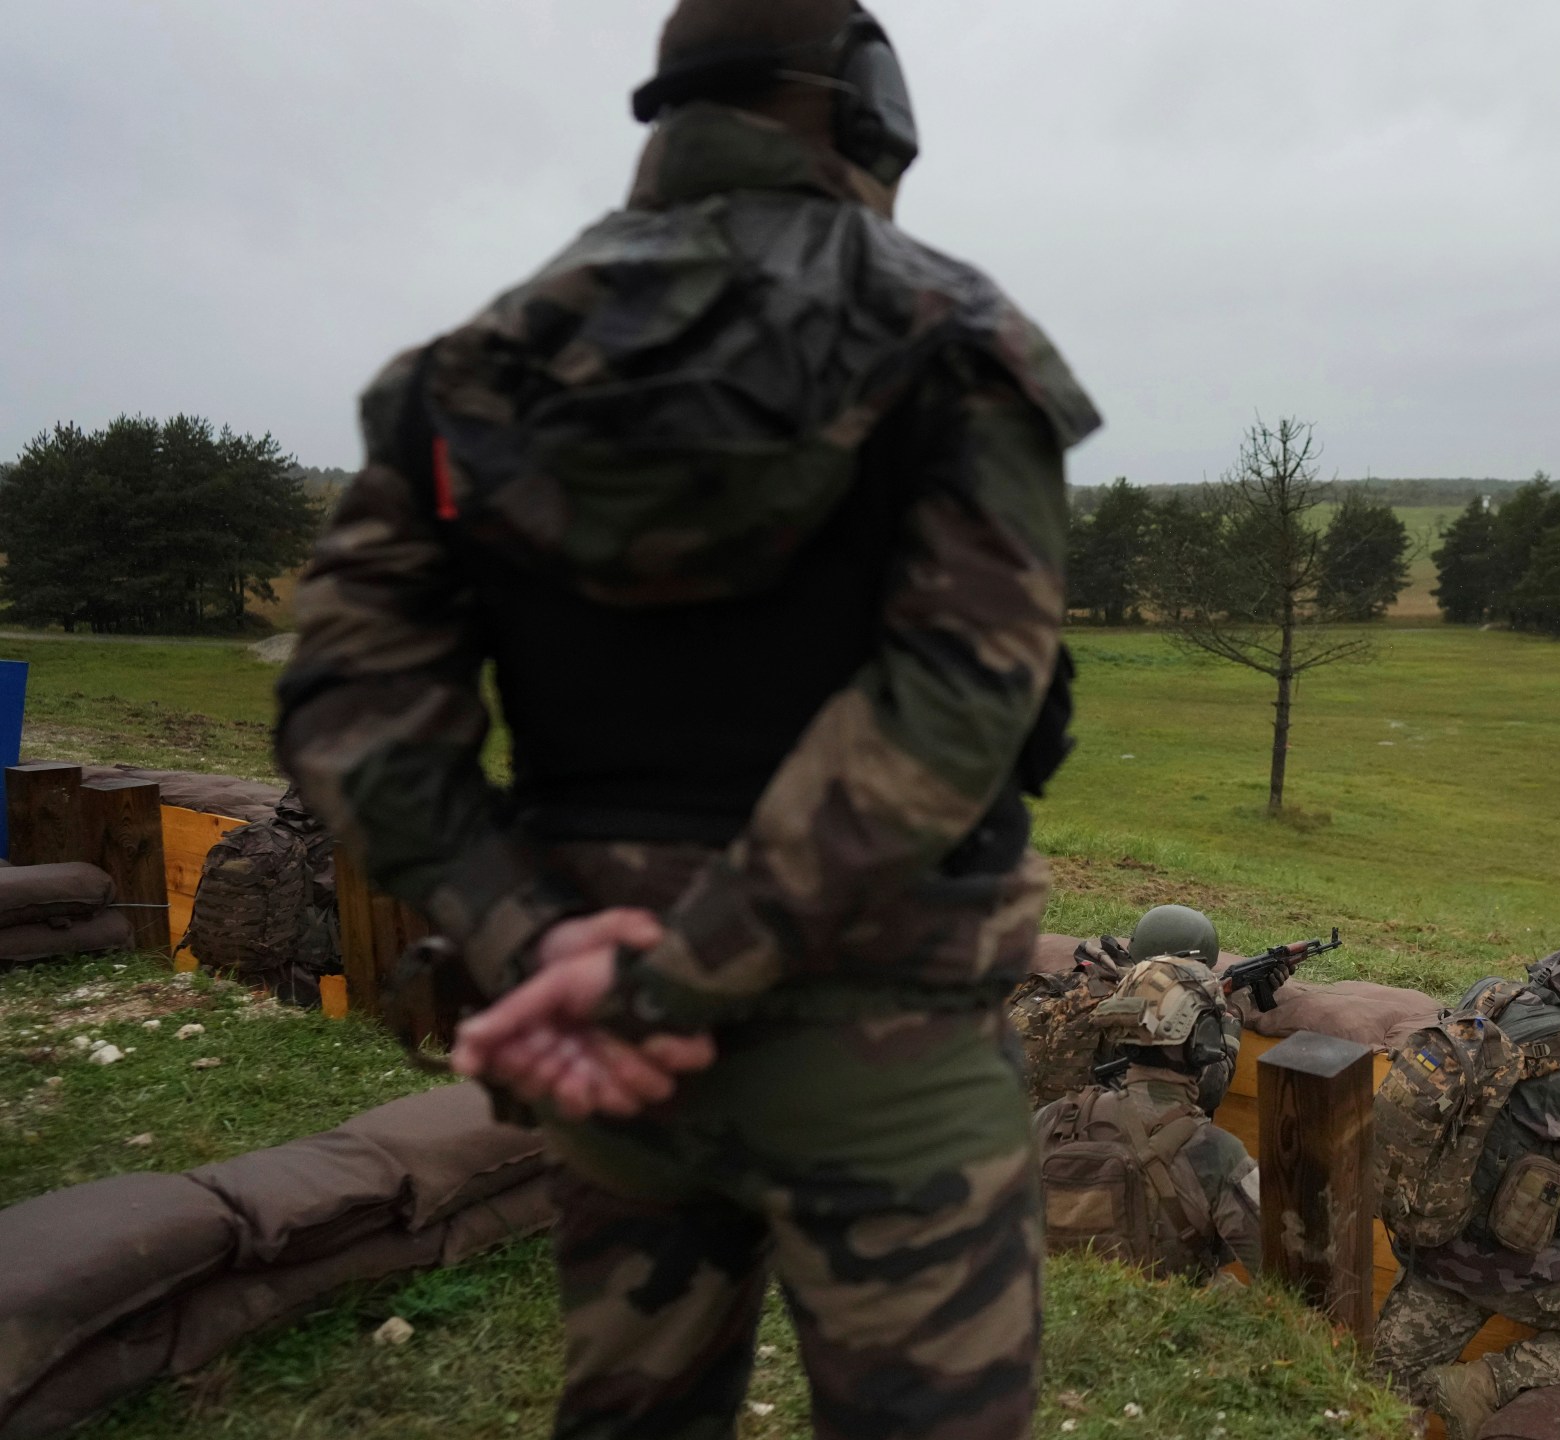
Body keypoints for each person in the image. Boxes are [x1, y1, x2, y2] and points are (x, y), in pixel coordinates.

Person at [273, 1, 1097, 1435]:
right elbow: (959, 709)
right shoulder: (950, 335)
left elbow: (349, 697)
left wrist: (532, 940)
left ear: (674, 115)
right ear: (869, 109)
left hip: (600, 1053)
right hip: (879, 1047)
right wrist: (684, 977)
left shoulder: (476, 364)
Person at [1372, 933, 1560, 1440]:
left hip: (1433, 1232)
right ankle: (1484, 1385)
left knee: (1381, 1398)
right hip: (1508, 1261)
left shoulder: (1490, 997)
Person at [1031, 953, 1261, 1281]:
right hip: (1164, 1327)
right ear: (1204, 1035)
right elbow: (1292, 1278)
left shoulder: (1051, 1121)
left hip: (1063, 1317)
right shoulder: (1216, 1152)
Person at [1009, 903, 1222, 1106]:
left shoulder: (1077, 980)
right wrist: (1227, 1023)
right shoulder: (1145, 1009)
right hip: (1080, 1132)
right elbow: (1208, 1091)